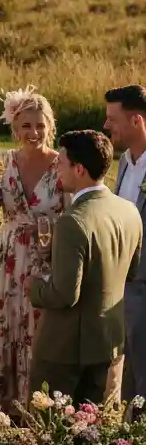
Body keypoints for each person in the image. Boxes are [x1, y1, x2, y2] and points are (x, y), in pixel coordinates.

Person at [26, 131, 142, 404]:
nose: (56, 169)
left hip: (66, 349)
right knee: (98, 424)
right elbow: (131, 272)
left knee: (51, 425)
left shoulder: (72, 221)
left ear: (79, 169)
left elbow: (64, 294)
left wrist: (35, 287)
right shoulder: (129, 211)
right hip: (109, 342)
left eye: (61, 163)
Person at [0, 87, 66, 410]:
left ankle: (36, 408)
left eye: (40, 125)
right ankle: (1, 410)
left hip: (46, 258)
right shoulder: (3, 162)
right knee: (5, 329)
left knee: (37, 332)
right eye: (26, 125)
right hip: (8, 260)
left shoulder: (62, 164)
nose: (34, 132)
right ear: (15, 128)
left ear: (50, 126)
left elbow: (73, 215)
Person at [104, 85, 146, 399]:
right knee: (130, 370)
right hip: (126, 284)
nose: (106, 125)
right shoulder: (124, 163)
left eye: (112, 118)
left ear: (136, 121)